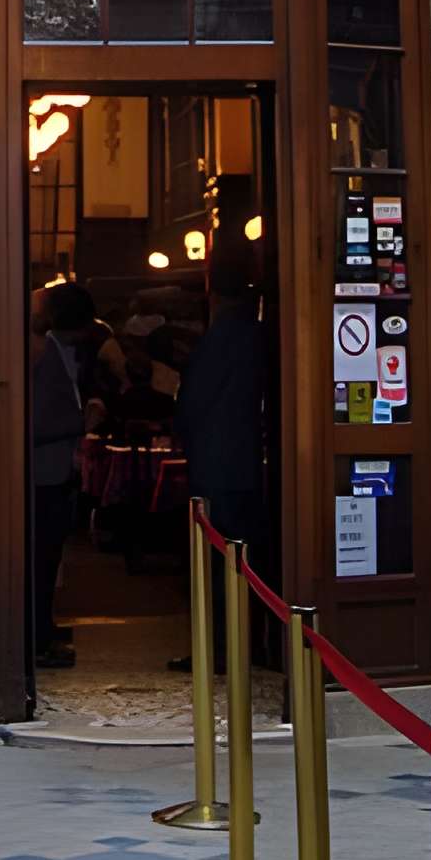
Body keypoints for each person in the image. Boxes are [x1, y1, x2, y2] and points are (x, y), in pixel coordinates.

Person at [170, 260, 274, 668]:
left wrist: (182, 427)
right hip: (245, 462)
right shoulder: (257, 334)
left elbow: (194, 402)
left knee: (218, 561)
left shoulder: (222, 338)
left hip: (219, 463)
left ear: (213, 294)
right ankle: (248, 644)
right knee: (244, 558)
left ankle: (221, 649)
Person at [28, 280, 98, 667]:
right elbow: (35, 423)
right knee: (42, 559)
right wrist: (81, 422)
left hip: (52, 470)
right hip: (44, 472)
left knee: (47, 558)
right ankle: (38, 637)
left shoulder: (52, 350)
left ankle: (43, 629)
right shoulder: (43, 353)